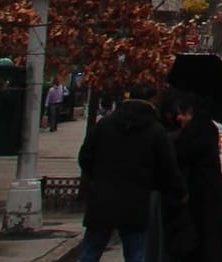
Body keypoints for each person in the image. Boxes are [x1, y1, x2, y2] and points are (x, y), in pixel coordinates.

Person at [76, 82, 184, 262]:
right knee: (135, 253)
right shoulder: (155, 130)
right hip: (137, 202)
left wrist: (97, 178)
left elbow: (85, 156)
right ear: (151, 100)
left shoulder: (106, 124)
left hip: (103, 198)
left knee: (91, 249)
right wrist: (177, 191)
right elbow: (168, 167)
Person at [168, 92, 222, 262]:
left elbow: (183, 155)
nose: (180, 118)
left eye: (183, 113)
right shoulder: (205, 127)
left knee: (205, 239)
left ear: (192, 112)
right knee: (212, 239)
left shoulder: (196, 131)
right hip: (210, 190)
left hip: (203, 193)